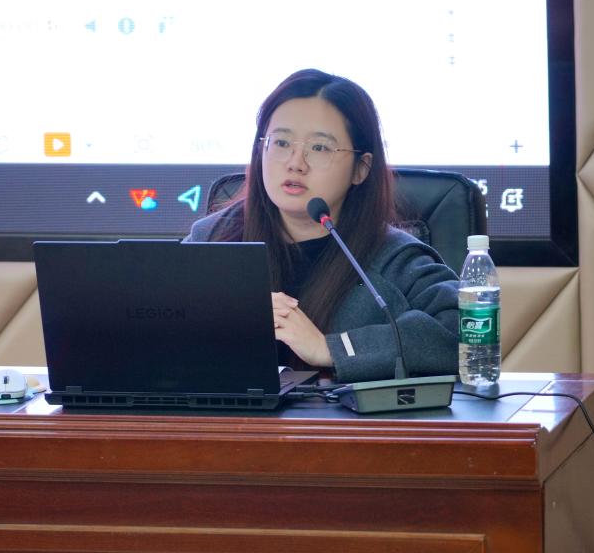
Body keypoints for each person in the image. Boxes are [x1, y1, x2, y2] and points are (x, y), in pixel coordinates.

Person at [185, 68, 459, 383]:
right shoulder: (212, 239)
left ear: (361, 168)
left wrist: (332, 348)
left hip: (345, 417)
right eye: (281, 142)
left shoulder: (395, 260)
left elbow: (465, 334)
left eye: (319, 148)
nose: (295, 163)